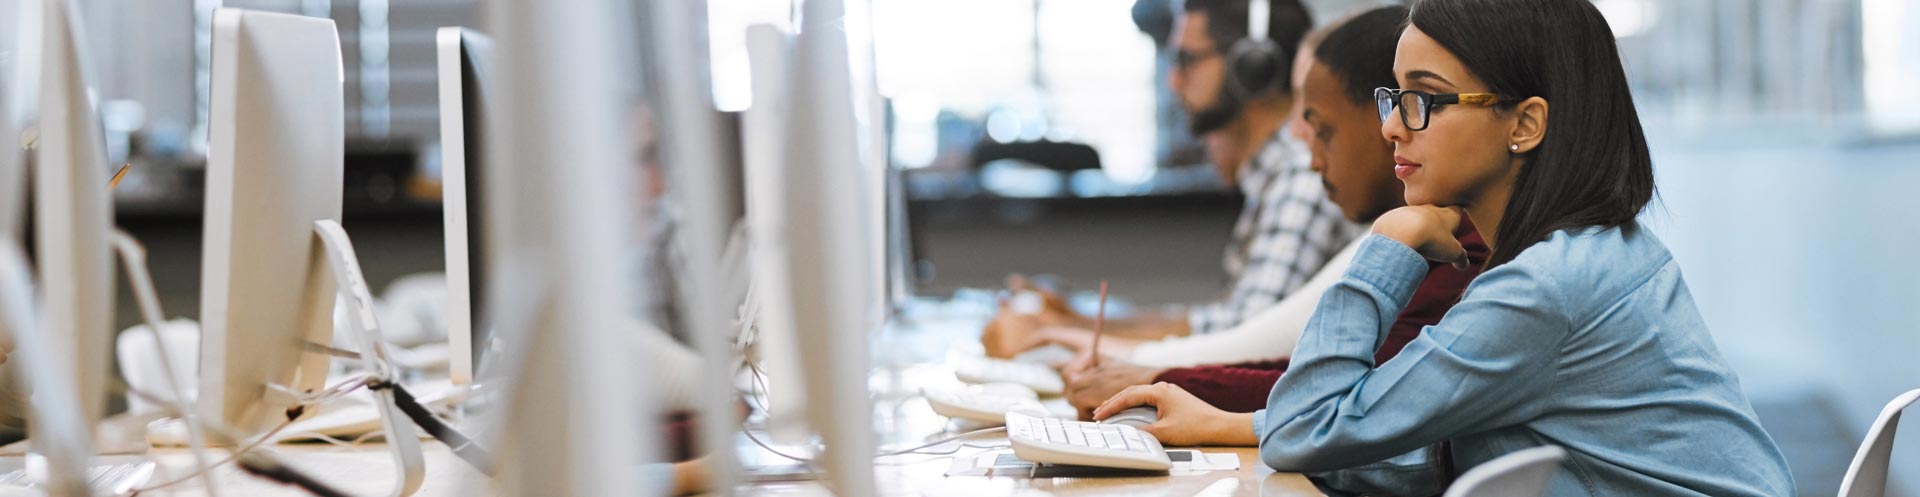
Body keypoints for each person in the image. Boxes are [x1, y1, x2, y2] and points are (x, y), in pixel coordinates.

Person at [1092, 1, 1797, 494]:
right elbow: (1438, 445)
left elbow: (1309, 427)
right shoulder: (1584, 252)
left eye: (1424, 99)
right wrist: (1236, 424)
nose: (1394, 127)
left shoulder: (1542, 288)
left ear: (1525, 124)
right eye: (1392, 96)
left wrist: (1387, 243)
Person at [1062, 5, 1487, 417]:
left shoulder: (1461, 249)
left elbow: (1338, 404)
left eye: (1423, 100)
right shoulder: (1427, 231)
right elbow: (1316, 384)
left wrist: (1155, 379)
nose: (1393, 125)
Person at [981, 0, 1362, 357]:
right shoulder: (1275, 177)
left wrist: (1064, 332)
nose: (1173, 81)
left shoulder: (1301, 178)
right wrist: (1075, 321)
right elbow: (1222, 322)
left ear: (1251, 68)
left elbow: (1239, 340)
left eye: (1186, 60)